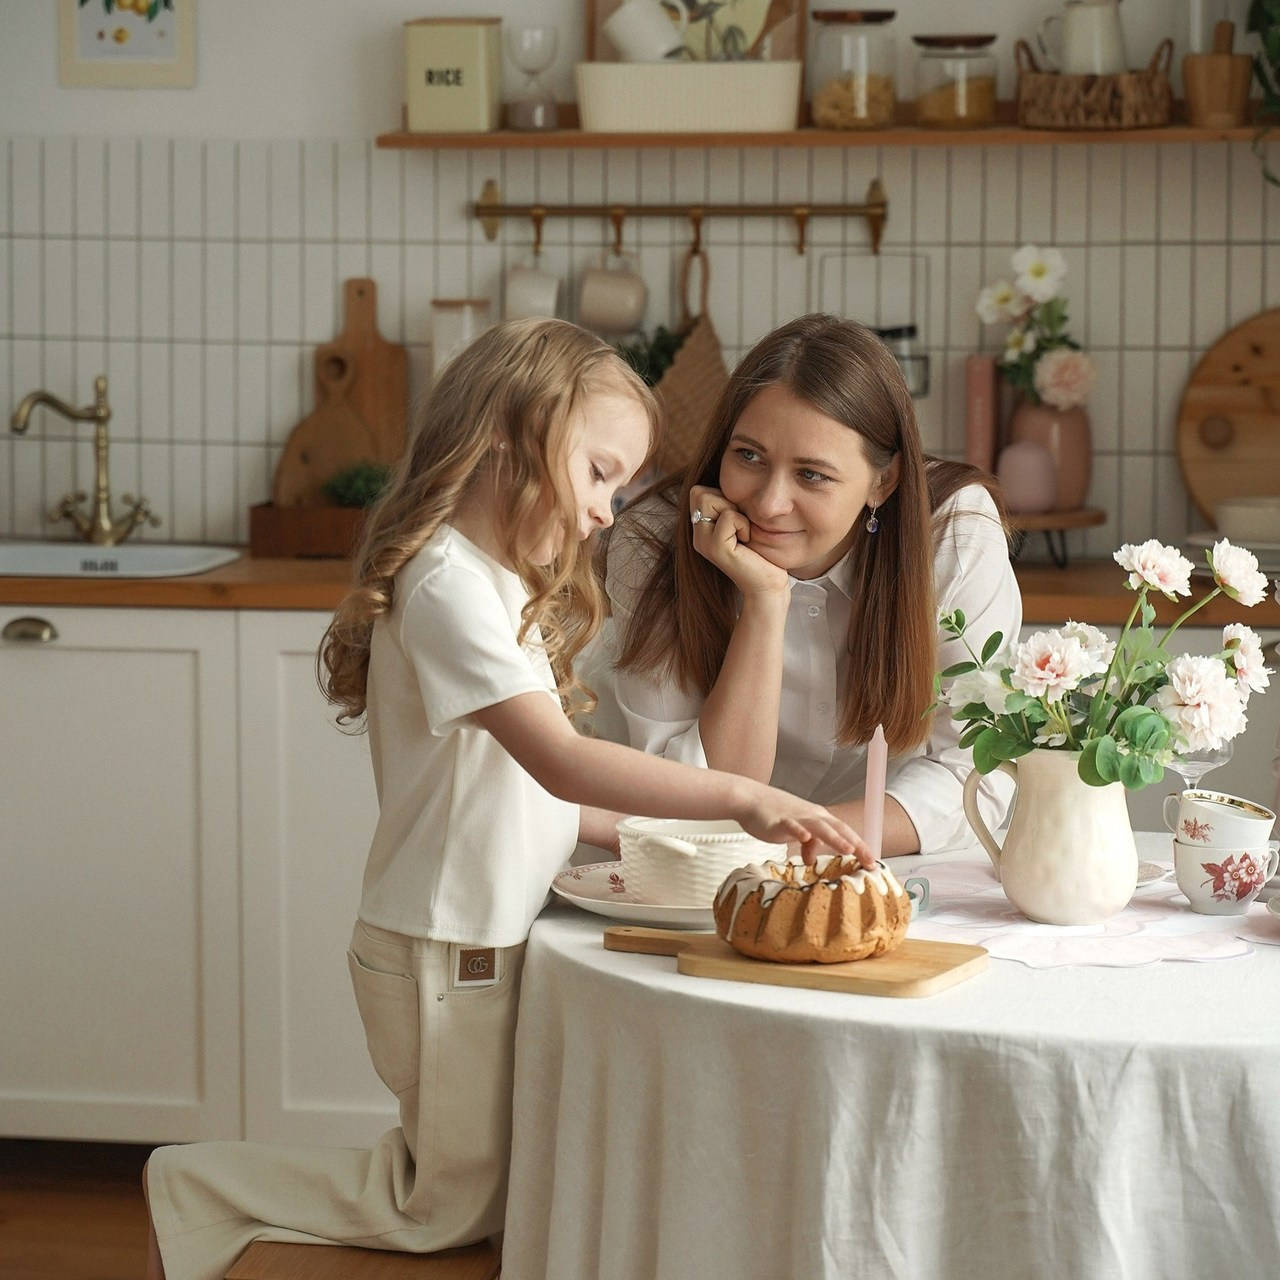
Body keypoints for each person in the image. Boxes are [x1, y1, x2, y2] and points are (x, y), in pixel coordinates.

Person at [140, 317, 869, 1280]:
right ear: (508, 436)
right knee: (440, 1206)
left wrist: (679, 832)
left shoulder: (487, 581)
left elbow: (541, 798)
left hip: (478, 939)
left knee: (474, 1195)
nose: (610, 510)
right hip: (447, 946)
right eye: (600, 472)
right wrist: (743, 797)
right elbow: (562, 761)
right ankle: (201, 1189)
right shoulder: (444, 585)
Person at [586, 313, 1023, 858]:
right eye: (748, 456)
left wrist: (797, 840)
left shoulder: (952, 536)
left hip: (887, 862)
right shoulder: (654, 542)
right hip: (688, 869)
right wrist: (766, 602)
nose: (768, 503)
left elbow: (977, 765)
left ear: (882, 481)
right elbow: (691, 794)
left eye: (812, 474)